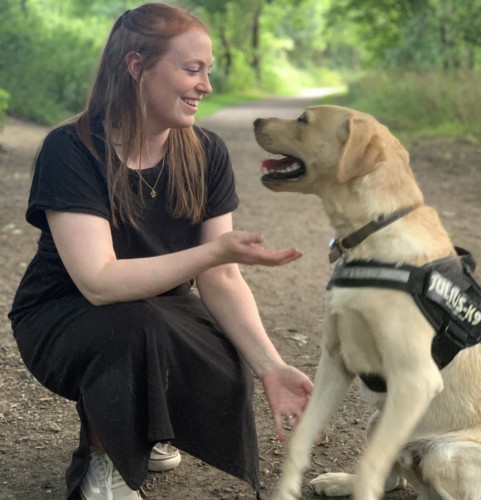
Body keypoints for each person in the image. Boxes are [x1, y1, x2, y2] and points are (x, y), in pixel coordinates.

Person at [8, 4, 313, 500]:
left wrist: (272, 367)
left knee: (222, 347)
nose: (205, 85)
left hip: (156, 308)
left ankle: (145, 428)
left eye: (208, 71)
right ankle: (105, 466)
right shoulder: (72, 149)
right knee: (132, 328)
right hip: (63, 314)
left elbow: (223, 281)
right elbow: (98, 282)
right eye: (191, 69)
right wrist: (212, 254)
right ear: (136, 66)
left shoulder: (207, 152)